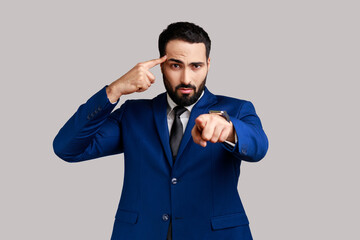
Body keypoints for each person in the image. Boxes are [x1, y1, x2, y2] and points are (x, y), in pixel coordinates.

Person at [53, 22, 268, 240]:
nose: (186, 79)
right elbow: (66, 148)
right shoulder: (133, 114)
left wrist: (228, 130)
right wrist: (113, 90)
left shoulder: (236, 109)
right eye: (176, 65)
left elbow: (259, 147)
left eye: (196, 66)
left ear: (208, 64)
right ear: (161, 65)